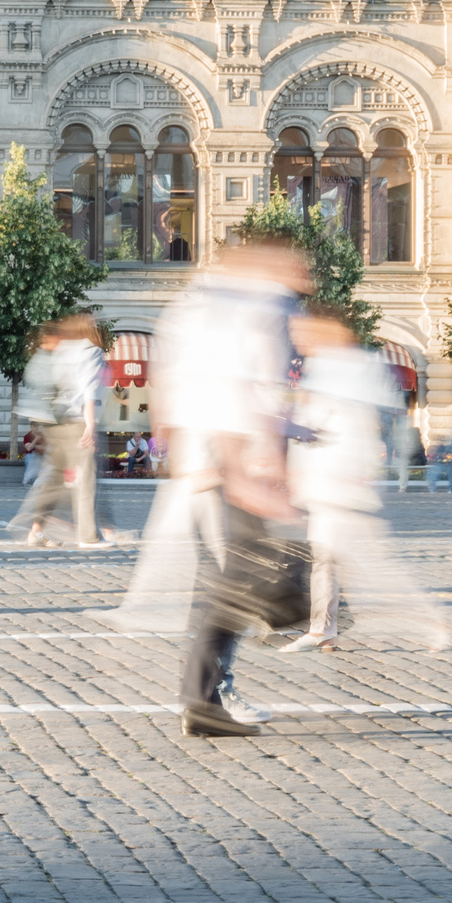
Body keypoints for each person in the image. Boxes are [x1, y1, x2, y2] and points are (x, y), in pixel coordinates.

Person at [156, 235, 312, 738]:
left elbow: (169, 389)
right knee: (236, 582)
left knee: (227, 582)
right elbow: (235, 388)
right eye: (293, 263)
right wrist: (248, 471)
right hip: (228, 460)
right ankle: (210, 694)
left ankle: (205, 696)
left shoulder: (196, 301)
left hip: (209, 462)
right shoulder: (247, 304)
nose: (301, 275)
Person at [283, 309, 451, 655]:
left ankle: (425, 620)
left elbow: (364, 424)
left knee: (366, 564)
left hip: (339, 482)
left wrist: (352, 473)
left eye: (304, 331)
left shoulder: (351, 367)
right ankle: (323, 630)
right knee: (328, 559)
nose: (298, 338)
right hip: (325, 483)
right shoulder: (326, 366)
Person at [11, 319, 111, 549]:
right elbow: (88, 389)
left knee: (56, 478)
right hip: (75, 421)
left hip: (55, 421)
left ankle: (35, 530)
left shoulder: (62, 350)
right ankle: (88, 537)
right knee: (85, 477)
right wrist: (90, 425)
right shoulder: (90, 351)